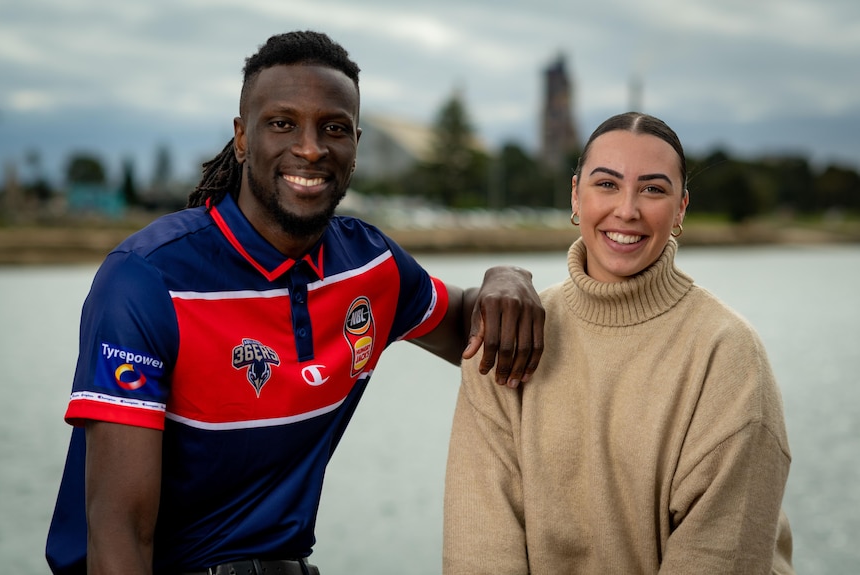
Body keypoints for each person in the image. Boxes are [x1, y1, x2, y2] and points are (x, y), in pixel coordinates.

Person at [45, 31, 545, 575]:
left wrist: (506, 276)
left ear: (355, 143)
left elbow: (478, 326)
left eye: (333, 128)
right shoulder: (147, 280)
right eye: (282, 123)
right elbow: (119, 531)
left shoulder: (371, 266)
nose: (310, 148)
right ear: (241, 138)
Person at [443, 112, 794, 574]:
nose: (626, 209)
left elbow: (719, 558)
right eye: (606, 184)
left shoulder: (727, 355)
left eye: (652, 189)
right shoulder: (508, 334)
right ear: (575, 195)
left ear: (682, 208)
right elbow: (480, 552)